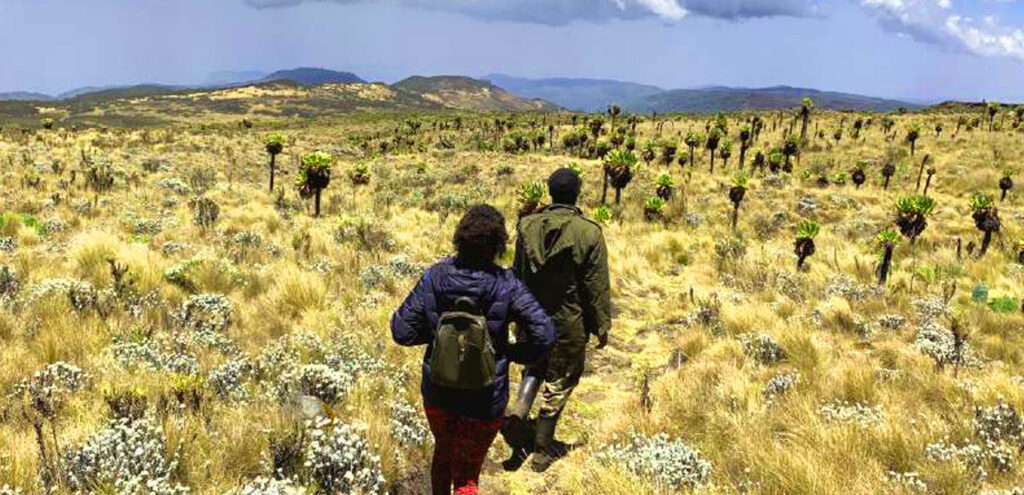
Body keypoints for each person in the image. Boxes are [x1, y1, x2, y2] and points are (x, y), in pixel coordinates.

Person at [391, 204, 556, 495]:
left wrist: (437, 338)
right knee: (467, 474)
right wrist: (508, 353)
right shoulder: (507, 283)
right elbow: (545, 334)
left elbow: (401, 331)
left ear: (460, 238)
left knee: (442, 454)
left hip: (438, 390)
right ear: (497, 244)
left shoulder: (435, 276)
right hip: (486, 397)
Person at [510, 167, 612, 473]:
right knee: (561, 378)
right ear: (576, 193)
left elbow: (517, 274)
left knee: (535, 365)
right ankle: (542, 448)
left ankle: (519, 411)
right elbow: (596, 286)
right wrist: (601, 325)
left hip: (531, 314)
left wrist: (515, 314)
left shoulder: (526, 226)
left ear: (550, 192)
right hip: (568, 320)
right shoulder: (589, 232)